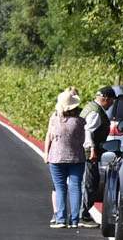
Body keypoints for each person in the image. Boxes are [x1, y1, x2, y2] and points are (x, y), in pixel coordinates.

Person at [45, 88, 87, 229]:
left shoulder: (55, 119)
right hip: (77, 158)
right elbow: (82, 140)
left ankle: (61, 218)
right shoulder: (80, 122)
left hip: (56, 157)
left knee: (60, 188)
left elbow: (49, 137)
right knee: (75, 188)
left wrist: (46, 153)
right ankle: (74, 220)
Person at [79, 85, 116, 227]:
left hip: (85, 151)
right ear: (105, 99)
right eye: (111, 100)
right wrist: (93, 149)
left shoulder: (90, 107)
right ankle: (83, 215)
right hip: (89, 152)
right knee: (90, 182)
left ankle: (83, 212)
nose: (112, 103)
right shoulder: (95, 113)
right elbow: (88, 131)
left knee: (89, 182)